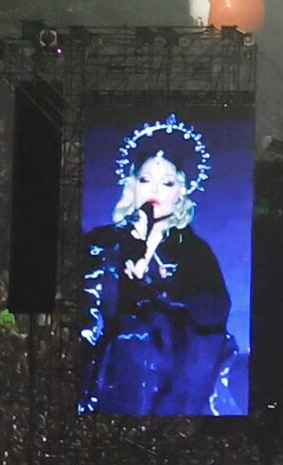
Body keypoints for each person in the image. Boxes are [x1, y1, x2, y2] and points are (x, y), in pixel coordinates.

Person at [76, 116, 236, 416]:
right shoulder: (103, 241)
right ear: (132, 184)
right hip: (107, 363)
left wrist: (166, 291)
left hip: (170, 365)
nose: (154, 190)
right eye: (145, 179)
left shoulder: (194, 251)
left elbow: (214, 309)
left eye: (167, 182)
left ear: (182, 192)